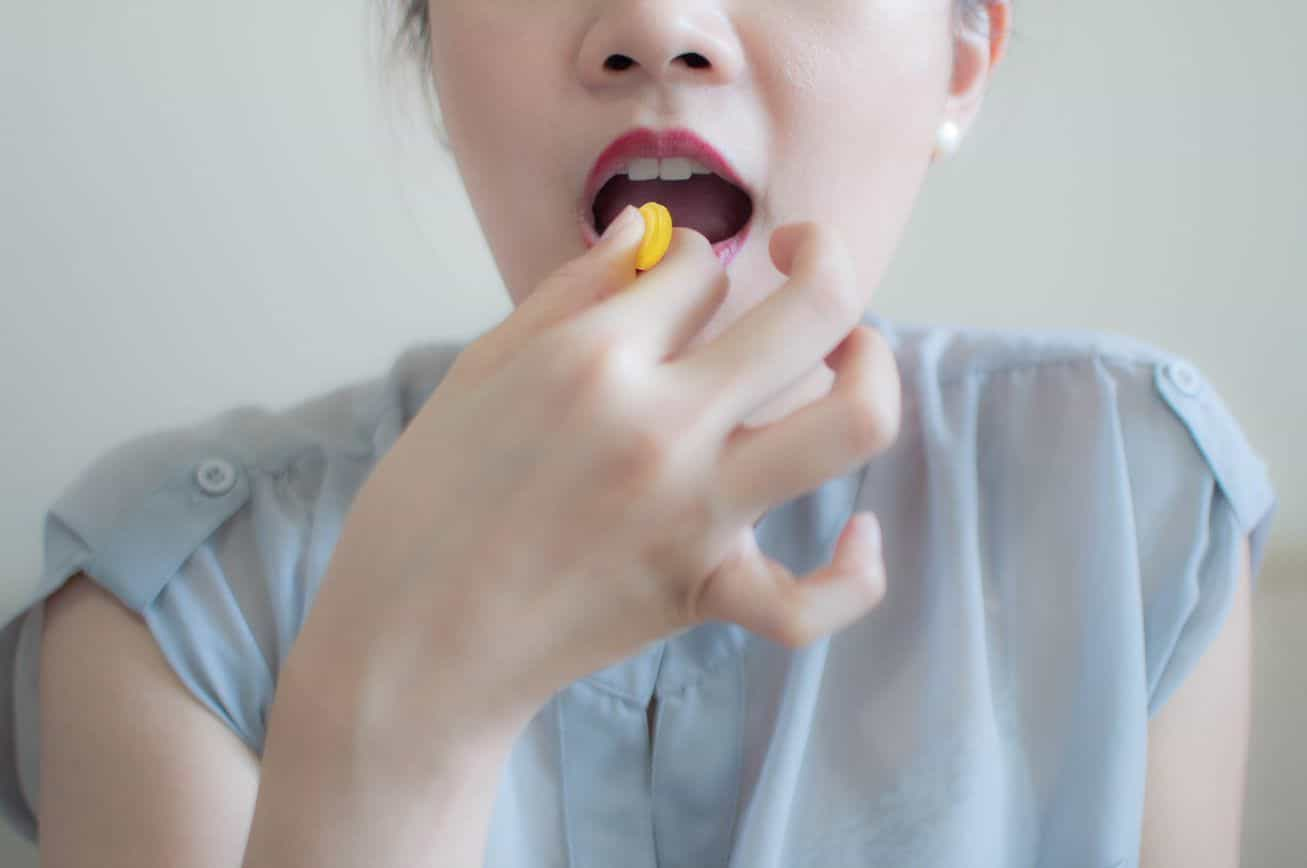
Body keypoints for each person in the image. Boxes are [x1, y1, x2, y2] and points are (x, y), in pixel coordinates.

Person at [0, 1, 1279, 866]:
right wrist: (400, 714)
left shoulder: (1132, 500)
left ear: (958, 62)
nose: (656, 24)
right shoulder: (165, 606)